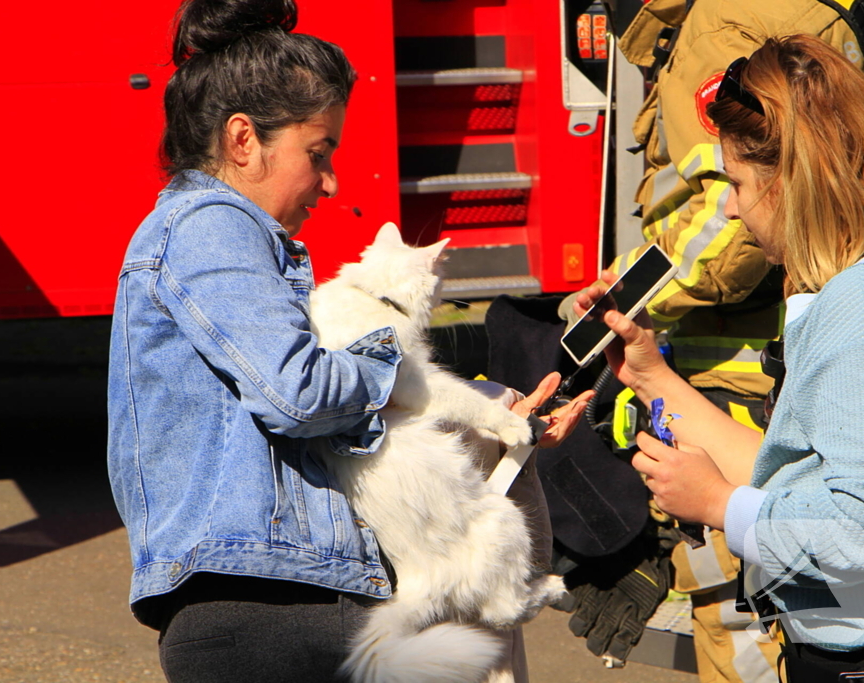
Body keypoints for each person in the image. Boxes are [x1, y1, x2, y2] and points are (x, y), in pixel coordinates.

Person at [106, 1, 587, 680]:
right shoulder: (210, 225)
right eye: (317, 152)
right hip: (267, 606)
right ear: (244, 140)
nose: (329, 181)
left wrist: (486, 408)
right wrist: (392, 368)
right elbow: (299, 390)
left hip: (270, 599)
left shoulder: (212, 236)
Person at [578, 34, 864, 681]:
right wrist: (649, 374)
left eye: (736, 182)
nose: (729, 205)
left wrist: (721, 505)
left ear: (793, 179)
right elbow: (792, 476)